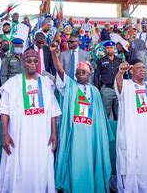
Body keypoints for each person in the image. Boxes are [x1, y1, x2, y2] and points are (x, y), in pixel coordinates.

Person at [51, 43, 113, 193]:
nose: (80, 75)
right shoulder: (70, 86)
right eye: (78, 72)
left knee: (92, 160)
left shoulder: (95, 91)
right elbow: (60, 70)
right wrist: (54, 54)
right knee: (76, 161)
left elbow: (99, 117)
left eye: (83, 72)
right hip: (76, 131)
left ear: (89, 74)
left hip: (92, 133)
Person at [0, 48, 61, 192]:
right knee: (18, 165)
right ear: (23, 62)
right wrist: (5, 134)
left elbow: (52, 110)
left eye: (35, 61)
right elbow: (4, 110)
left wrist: (54, 133)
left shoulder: (46, 83)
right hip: (18, 135)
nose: (32, 64)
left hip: (42, 135)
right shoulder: (13, 83)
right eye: (28, 61)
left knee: (41, 166)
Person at [115, 58, 147, 192]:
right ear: (131, 70)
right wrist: (120, 73)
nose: (143, 70)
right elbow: (119, 86)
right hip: (134, 135)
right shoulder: (126, 84)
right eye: (139, 68)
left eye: (144, 68)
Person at [94, 41, 122, 120]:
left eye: (111, 48)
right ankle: (105, 131)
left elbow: (124, 75)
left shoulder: (119, 61)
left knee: (119, 114)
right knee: (105, 114)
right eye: (107, 48)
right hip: (106, 89)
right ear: (105, 49)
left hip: (118, 89)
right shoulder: (100, 61)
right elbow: (96, 76)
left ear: (114, 49)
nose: (109, 49)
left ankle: (117, 131)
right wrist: (97, 90)